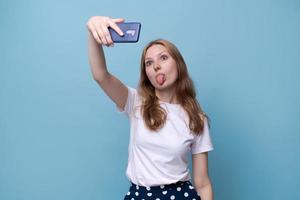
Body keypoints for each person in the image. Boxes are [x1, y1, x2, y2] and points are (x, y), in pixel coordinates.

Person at [86, 16, 214, 200]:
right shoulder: (135, 101)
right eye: (149, 63)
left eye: (163, 58)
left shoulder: (196, 118)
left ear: (178, 64)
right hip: (140, 195)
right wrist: (93, 31)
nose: (156, 66)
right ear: (146, 73)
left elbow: (202, 183)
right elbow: (100, 75)